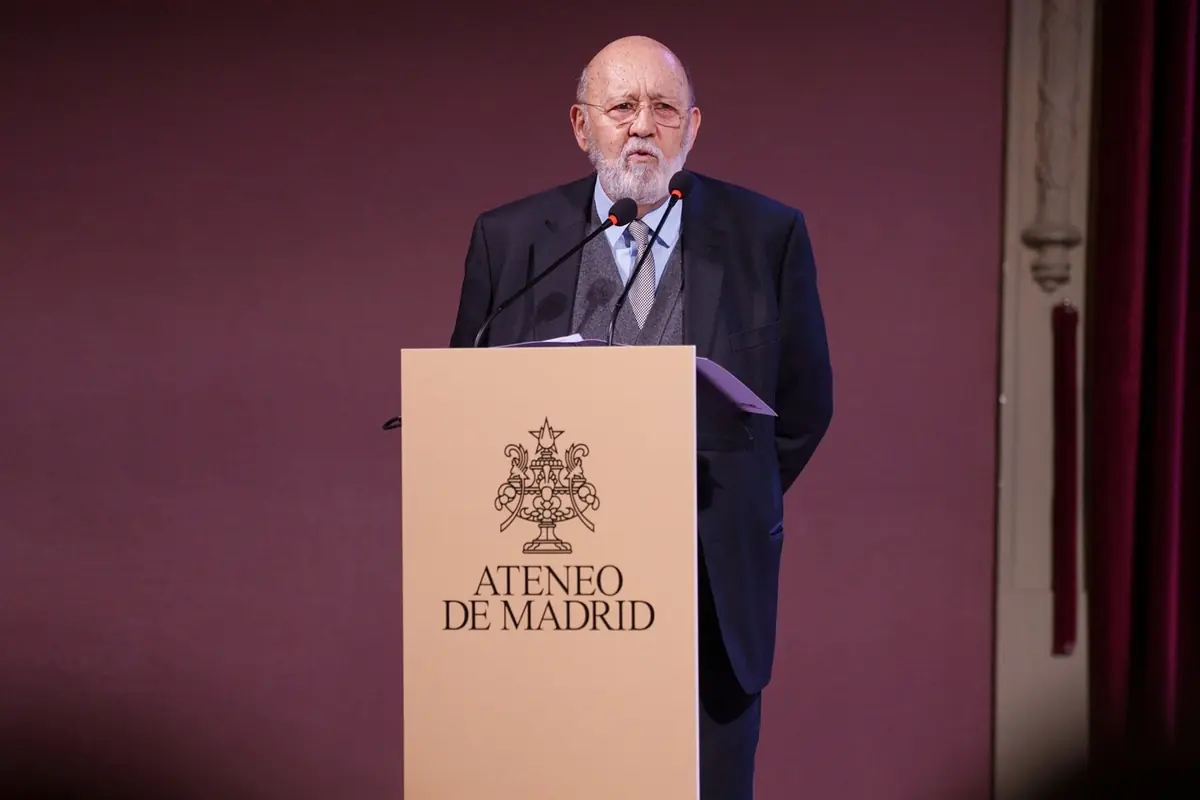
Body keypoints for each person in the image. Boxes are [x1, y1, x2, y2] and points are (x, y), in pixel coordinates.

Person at [449, 35, 834, 799]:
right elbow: (466, 409)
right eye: (622, 106)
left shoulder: (767, 235)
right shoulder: (513, 240)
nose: (642, 126)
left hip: (709, 598)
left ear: (692, 128)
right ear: (581, 125)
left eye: (664, 109)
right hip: (549, 598)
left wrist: (714, 502)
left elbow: (802, 407)